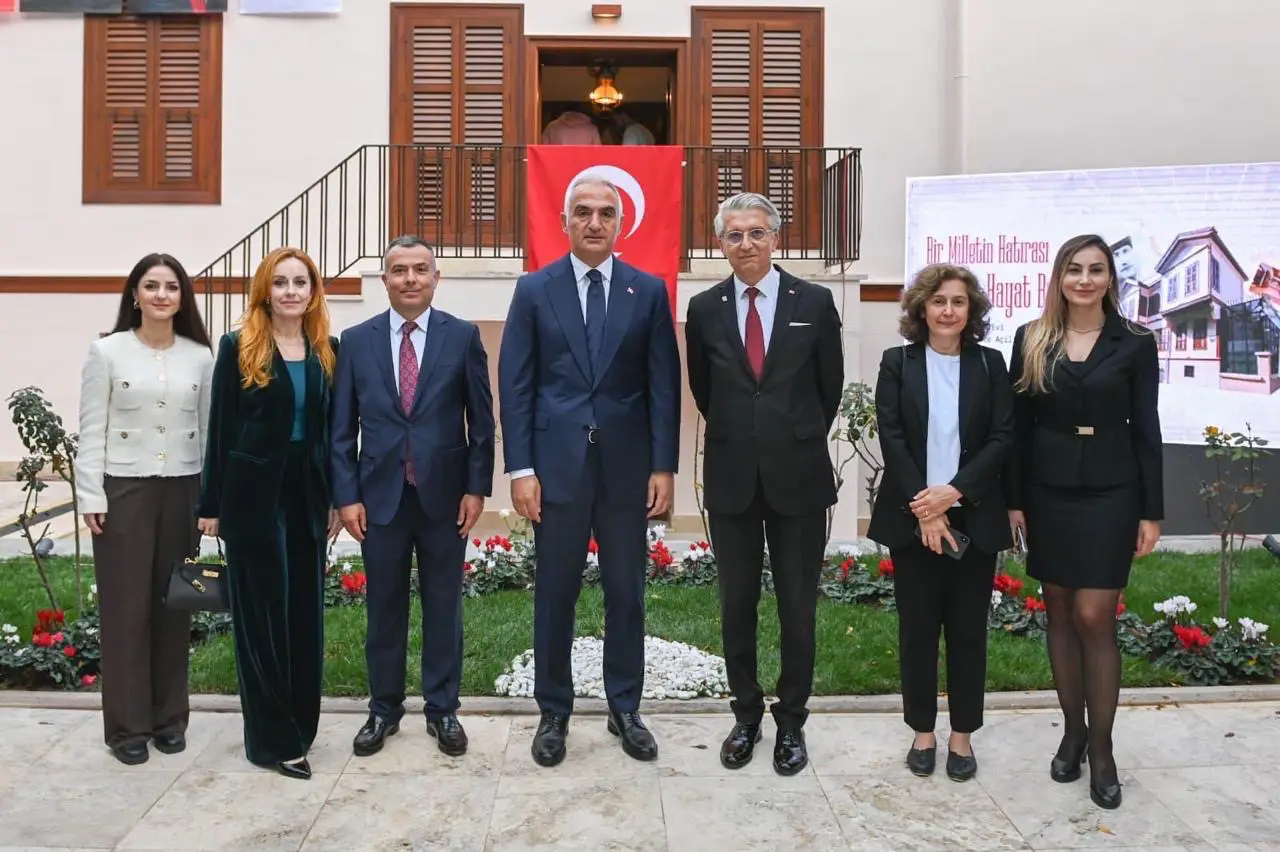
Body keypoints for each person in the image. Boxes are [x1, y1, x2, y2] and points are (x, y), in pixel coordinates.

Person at [498, 172, 681, 767]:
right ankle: (553, 711)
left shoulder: (646, 291)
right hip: (556, 470)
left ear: (621, 223)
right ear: (564, 222)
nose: (595, 222)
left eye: (606, 212)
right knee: (556, 593)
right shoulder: (534, 290)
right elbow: (517, 385)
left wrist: (663, 466)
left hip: (627, 470)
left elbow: (663, 386)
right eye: (583, 212)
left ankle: (624, 707)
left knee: (626, 593)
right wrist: (521, 468)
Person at [684, 192, 843, 776]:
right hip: (732, 479)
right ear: (720, 244)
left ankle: (792, 721)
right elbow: (705, 389)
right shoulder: (704, 308)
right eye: (734, 235)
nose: (746, 243)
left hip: (798, 478)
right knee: (736, 605)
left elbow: (828, 387)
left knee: (798, 606)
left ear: (775, 238)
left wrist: (788, 436)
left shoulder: (814, 302)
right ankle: (746, 714)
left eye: (756, 232)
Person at [1005, 233, 1164, 810]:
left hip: (1112, 491)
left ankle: (1102, 749)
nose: (1085, 280)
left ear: (1110, 279)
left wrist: (1151, 510)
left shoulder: (1135, 341)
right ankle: (1072, 733)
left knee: (1095, 615)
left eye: (1096, 270)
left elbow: (1146, 425)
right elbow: (1018, 426)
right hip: (1047, 492)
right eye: (1074, 269)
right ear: (1059, 278)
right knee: (1060, 611)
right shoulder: (1032, 337)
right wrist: (1014, 500)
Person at [332, 236, 495, 759]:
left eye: (420, 269)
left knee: (443, 606)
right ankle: (383, 709)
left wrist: (476, 487)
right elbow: (341, 430)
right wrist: (346, 496)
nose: (410, 279)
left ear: (435, 278)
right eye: (399, 270)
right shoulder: (355, 341)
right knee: (384, 608)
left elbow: (481, 421)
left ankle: (443, 709)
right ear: (385, 280)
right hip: (379, 498)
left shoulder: (462, 336)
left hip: (445, 498)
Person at [196, 247, 342, 780]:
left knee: (303, 616)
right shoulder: (238, 347)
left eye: (300, 282)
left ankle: (301, 725)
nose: (290, 292)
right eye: (280, 282)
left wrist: (333, 497)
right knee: (261, 621)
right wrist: (210, 506)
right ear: (265, 291)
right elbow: (220, 429)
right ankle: (272, 740)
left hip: (307, 495)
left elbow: (331, 432)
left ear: (313, 291)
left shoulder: (327, 349)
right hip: (253, 496)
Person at [866, 263, 1014, 782]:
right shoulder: (898, 362)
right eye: (938, 301)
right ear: (922, 309)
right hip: (913, 519)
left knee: (969, 632)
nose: (948, 310)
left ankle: (962, 736)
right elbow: (892, 437)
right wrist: (927, 509)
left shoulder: (991, 364)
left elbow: (1002, 437)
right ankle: (923, 733)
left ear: (971, 310)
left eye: (958, 301)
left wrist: (954, 493)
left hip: (974, 514)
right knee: (918, 631)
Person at [74, 253, 213, 766]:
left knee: (175, 606)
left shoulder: (200, 356)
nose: (160, 295)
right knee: (126, 612)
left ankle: (170, 719)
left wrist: (211, 500)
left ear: (182, 298)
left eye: (171, 287)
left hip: (183, 491)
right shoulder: (107, 352)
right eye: (151, 286)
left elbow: (210, 432)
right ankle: (127, 727)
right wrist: (91, 495)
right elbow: (92, 427)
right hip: (124, 493)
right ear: (135, 294)